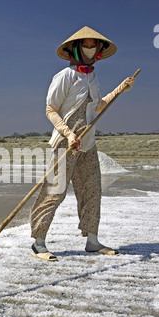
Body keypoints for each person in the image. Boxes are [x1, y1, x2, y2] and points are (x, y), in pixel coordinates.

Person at [30, 26, 135, 261]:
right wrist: (68, 134)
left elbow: (97, 107)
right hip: (65, 143)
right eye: (86, 45)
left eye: (93, 45)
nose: (90, 48)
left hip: (87, 143)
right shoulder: (65, 76)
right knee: (54, 192)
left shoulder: (93, 77)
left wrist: (121, 89)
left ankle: (93, 241)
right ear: (76, 48)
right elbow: (51, 109)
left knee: (92, 190)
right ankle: (39, 243)